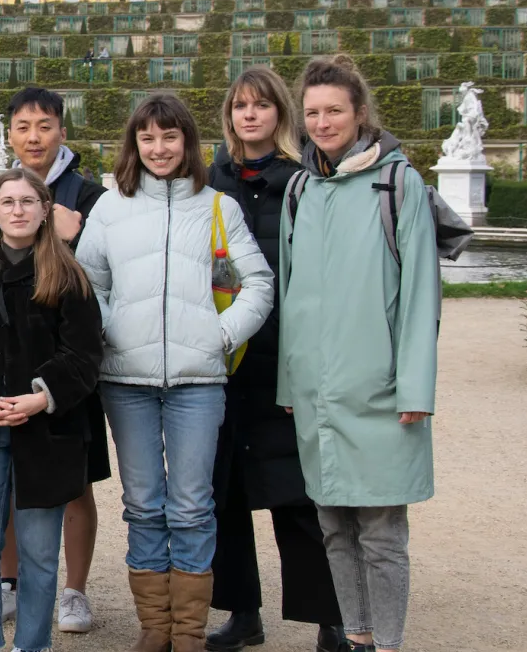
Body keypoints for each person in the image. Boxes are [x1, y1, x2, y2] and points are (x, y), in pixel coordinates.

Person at [74, 93, 273, 652]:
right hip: (126, 380)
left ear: (187, 141)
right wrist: (111, 331)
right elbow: (88, 284)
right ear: (133, 145)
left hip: (200, 380)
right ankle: (154, 629)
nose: (159, 148)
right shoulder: (111, 209)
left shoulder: (217, 207)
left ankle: (186, 632)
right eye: (147, 138)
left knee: (191, 504)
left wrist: (223, 334)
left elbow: (258, 282)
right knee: (142, 503)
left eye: (169, 137)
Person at [278, 56, 438, 652]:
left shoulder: (399, 185)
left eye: (334, 111)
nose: (322, 123)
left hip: (380, 390)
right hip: (317, 391)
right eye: (313, 112)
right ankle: (359, 639)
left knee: (381, 534)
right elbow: (293, 293)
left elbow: (422, 292)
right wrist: (289, 387)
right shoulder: (301, 187)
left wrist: (416, 389)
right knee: (332, 528)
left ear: (360, 113)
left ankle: (388, 645)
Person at [0, 169, 104, 652]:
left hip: (46, 429)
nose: (17, 210)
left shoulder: (69, 275)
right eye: (7, 202)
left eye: (28, 201)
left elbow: (84, 354)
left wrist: (38, 396)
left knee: (39, 550)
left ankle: (33, 644)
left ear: (45, 209)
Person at [206, 69, 346, 652]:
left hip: (285, 359)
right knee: (227, 494)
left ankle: (329, 621)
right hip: (222, 359)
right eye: (240, 106)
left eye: (262, 105)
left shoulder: (304, 179)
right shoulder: (209, 178)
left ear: (279, 113)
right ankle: (244, 612)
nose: (250, 115)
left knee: (298, 498)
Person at [2, 87, 109, 632]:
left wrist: (78, 235)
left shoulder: (89, 196)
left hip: (68, 359)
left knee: (75, 481)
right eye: (23, 126)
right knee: (7, 476)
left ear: (62, 131)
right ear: (10, 134)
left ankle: (74, 590)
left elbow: (105, 274)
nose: (34, 136)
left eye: (45, 125)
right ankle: (9, 583)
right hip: (8, 355)